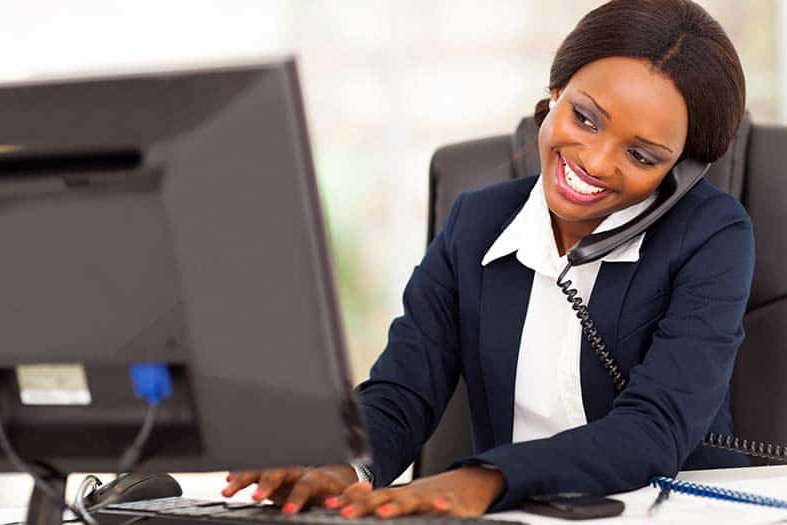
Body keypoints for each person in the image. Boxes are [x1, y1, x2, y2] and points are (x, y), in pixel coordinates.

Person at [222, 0, 753, 518]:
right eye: (586, 118)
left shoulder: (712, 236)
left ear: (682, 174)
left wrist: (484, 479)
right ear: (555, 92)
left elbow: (654, 427)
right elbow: (402, 389)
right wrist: (340, 466)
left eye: (641, 155)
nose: (595, 160)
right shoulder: (476, 223)